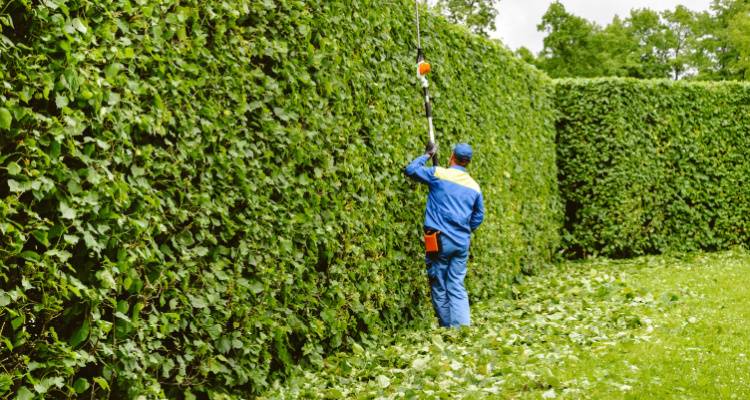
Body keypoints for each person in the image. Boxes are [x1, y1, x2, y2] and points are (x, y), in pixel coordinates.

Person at [404, 143, 484, 327]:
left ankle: (448, 329)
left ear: (451, 157)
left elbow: (411, 170)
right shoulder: (475, 187)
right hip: (461, 243)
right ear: (468, 162)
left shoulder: (438, 174)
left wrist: (427, 154)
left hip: (438, 240)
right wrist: (464, 229)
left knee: (439, 283)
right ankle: (462, 330)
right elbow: (478, 216)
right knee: (456, 284)